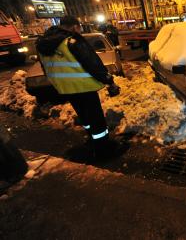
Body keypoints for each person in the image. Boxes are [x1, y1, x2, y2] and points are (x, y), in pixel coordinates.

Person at [36, 16, 125, 161]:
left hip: (66, 88)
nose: (80, 31)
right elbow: (93, 64)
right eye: (79, 28)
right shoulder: (72, 41)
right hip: (84, 87)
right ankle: (104, 150)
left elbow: (45, 68)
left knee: (85, 118)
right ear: (74, 27)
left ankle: (92, 141)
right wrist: (109, 81)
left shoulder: (42, 44)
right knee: (96, 120)